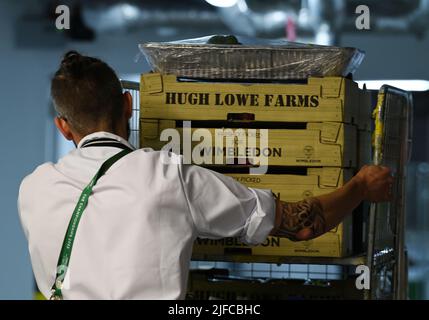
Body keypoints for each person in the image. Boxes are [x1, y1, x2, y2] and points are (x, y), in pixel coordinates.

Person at [18, 51, 393, 300]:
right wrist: (361, 185)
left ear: (64, 127)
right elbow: (301, 226)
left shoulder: (32, 190)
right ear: (128, 105)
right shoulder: (165, 175)